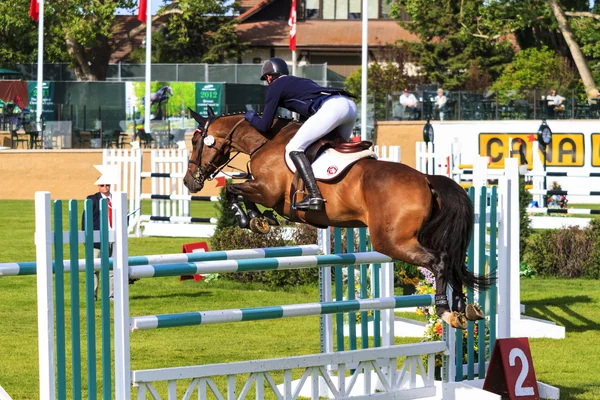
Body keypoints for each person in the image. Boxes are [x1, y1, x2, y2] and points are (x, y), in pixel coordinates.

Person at [244, 57, 357, 211]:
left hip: (332, 108)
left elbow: (264, 125)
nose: (267, 81)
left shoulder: (275, 86)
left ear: (269, 76)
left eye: (267, 78)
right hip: (349, 106)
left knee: (294, 148)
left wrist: (252, 119)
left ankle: (314, 195)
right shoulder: (299, 81)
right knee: (335, 152)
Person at [81, 176, 114, 300]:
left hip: (113, 238)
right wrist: (85, 236)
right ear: (98, 186)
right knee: (94, 268)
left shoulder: (116, 198)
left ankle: (112, 295)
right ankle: (92, 295)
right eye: (102, 185)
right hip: (96, 239)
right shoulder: (92, 199)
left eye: (107, 185)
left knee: (113, 268)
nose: (105, 188)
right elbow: (86, 218)